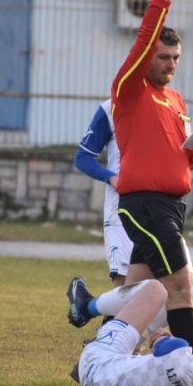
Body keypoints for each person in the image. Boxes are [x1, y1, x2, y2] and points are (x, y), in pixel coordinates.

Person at [94, 0, 193, 360]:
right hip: (144, 205)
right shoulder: (128, 89)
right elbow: (145, 38)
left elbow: (179, 160)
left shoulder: (176, 99)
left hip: (173, 205)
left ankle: (93, 355)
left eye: (176, 59)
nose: (170, 64)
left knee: (137, 293)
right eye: (163, 57)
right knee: (180, 286)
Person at [73, 99, 132, 289]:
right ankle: (93, 309)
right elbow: (83, 158)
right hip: (122, 205)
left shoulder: (168, 104)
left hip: (160, 205)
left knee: (169, 283)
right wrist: (112, 177)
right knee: (124, 282)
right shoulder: (110, 109)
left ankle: (88, 307)